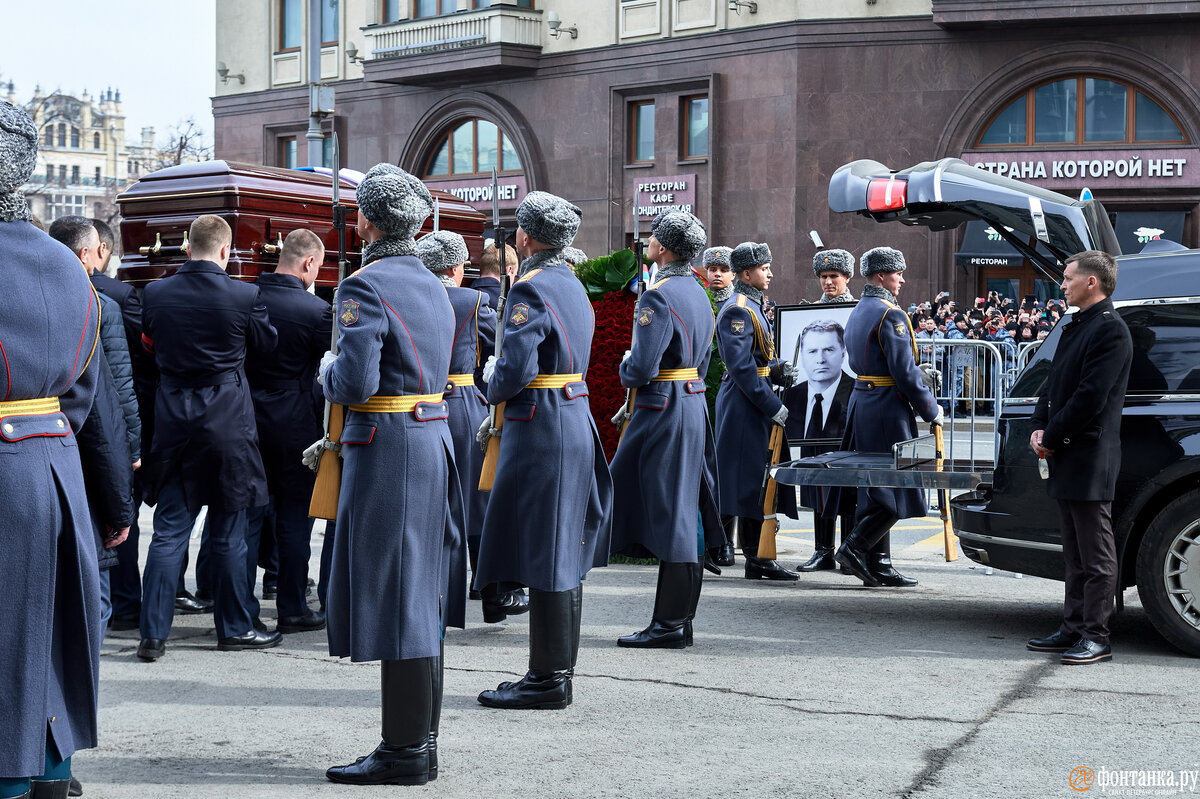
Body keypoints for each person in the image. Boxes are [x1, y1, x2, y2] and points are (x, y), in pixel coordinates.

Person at [318, 164, 462, 785]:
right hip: (430, 440)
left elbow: (353, 383)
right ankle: (417, 744)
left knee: (400, 595)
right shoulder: (435, 283)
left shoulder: (364, 286)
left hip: (387, 446)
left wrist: (325, 370)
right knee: (418, 591)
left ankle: (404, 751)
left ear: (368, 221)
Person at [474, 190, 613, 710]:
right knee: (560, 548)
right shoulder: (570, 282)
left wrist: (492, 382)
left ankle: (549, 679)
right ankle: (553, 673)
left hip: (543, 424)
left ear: (526, 237)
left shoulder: (529, 290)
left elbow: (514, 370)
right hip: (570, 416)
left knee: (550, 551)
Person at [0, 101, 103, 799]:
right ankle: (52, 775)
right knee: (52, 633)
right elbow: (86, 387)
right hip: (53, 460)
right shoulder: (69, 265)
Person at [138, 214, 281, 661]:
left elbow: (149, 346)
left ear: (186, 248)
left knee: (169, 532)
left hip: (174, 420)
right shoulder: (244, 294)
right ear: (225, 251)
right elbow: (267, 345)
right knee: (228, 533)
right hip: (226, 425)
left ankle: (153, 634)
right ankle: (235, 628)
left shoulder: (156, 293)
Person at [609, 210, 720, 649]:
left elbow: (640, 367)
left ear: (666, 249)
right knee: (684, 508)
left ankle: (671, 624)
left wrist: (623, 364)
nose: (649, 242)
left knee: (674, 513)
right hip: (690, 401)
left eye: (654, 237)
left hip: (663, 405)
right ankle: (678, 620)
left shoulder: (658, 295)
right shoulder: (695, 290)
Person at [1027, 251, 1132, 665]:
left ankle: (1096, 635)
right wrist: (1039, 426)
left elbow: (1091, 396)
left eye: (1069, 278)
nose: (1062, 284)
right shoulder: (1076, 326)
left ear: (1092, 282)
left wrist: (1051, 435)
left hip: (1089, 453)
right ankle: (1072, 627)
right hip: (1066, 451)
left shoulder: (1111, 330)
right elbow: (1053, 385)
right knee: (1073, 552)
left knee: (1096, 553)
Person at [414, 229, 518, 622]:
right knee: (478, 503)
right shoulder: (475, 301)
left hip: (415, 405)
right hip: (460, 405)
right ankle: (492, 595)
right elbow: (495, 351)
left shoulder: (412, 297)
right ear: (458, 268)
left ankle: (433, 601)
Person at [833, 247, 942, 588]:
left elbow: (864, 362)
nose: (902, 279)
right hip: (886, 406)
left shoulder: (860, 310)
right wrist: (931, 409)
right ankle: (854, 548)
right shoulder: (890, 314)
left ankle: (879, 561)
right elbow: (903, 373)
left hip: (864, 401)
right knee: (896, 486)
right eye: (898, 273)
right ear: (882, 276)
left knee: (875, 486)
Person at [244, 229, 331, 634]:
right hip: (295, 421)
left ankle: (238, 609)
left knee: (245, 516)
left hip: (243, 416)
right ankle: (292, 605)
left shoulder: (245, 297)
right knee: (295, 518)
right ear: (309, 263)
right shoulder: (316, 312)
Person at [713, 241, 798, 581]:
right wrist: (772, 404)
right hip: (745, 402)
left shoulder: (752, 305)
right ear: (747, 273)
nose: (770, 273)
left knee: (756, 480)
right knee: (750, 480)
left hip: (751, 399)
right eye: (765, 268)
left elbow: (757, 358)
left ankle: (755, 556)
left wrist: (776, 369)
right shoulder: (738, 309)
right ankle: (752, 556)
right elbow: (741, 368)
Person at [783, 318, 855, 571]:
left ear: (844, 352)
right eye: (812, 351)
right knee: (817, 491)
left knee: (847, 490)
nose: (820, 359)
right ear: (802, 354)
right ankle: (822, 551)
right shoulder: (792, 397)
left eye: (829, 350)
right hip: (811, 442)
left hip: (843, 445)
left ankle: (850, 552)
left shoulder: (855, 393)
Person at [701, 246, 737, 566]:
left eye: (722, 269)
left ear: (733, 274)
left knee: (724, 469)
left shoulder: (739, 305)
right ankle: (707, 539)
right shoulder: (700, 298)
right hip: (700, 391)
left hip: (726, 392)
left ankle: (726, 540)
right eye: (711, 268)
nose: (716, 274)